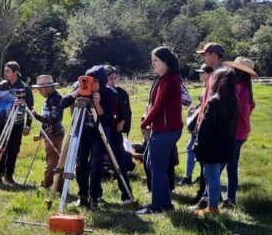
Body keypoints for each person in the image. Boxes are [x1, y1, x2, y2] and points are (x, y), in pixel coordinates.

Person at [136, 47, 184, 215]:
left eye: (156, 60)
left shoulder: (168, 81)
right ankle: (166, 203)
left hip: (165, 130)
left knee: (156, 168)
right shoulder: (166, 79)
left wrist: (144, 124)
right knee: (151, 164)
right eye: (152, 60)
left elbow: (158, 107)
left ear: (166, 62)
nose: (153, 64)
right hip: (164, 129)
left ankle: (156, 206)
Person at [190, 42, 236, 210]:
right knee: (209, 172)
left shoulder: (223, 73)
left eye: (206, 54)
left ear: (215, 54)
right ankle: (208, 203)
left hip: (213, 131)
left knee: (211, 172)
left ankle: (213, 207)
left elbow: (214, 106)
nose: (204, 57)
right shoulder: (218, 72)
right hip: (215, 130)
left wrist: (204, 129)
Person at [60, 65, 112, 209]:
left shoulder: (109, 93)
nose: (91, 83)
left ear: (101, 81)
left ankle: (94, 196)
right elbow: (62, 103)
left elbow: (107, 119)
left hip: (98, 133)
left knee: (96, 165)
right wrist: (77, 93)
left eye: (94, 80)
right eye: (89, 79)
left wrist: (97, 103)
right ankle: (82, 195)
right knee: (81, 164)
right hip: (82, 131)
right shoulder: (80, 87)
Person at [0, 61, 34, 185]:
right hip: (0, 123)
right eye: (5, 70)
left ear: (15, 72)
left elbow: (31, 108)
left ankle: (9, 176)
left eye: (7, 71)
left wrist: (28, 125)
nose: (5, 73)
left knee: (13, 150)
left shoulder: (25, 88)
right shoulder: (0, 86)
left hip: (17, 124)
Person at [222, 57, 257, 209]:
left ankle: (215, 198)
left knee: (217, 166)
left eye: (234, 69)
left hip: (233, 133)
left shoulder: (237, 89)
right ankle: (230, 199)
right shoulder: (247, 89)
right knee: (232, 167)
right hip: (242, 133)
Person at [105, 65, 135, 205]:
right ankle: (95, 195)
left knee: (120, 162)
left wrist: (123, 122)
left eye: (114, 77)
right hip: (102, 133)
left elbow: (127, 112)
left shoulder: (121, 93)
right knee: (95, 162)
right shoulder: (100, 93)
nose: (112, 79)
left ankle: (127, 195)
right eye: (109, 77)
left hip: (116, 133)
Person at [179, 64, 213, 186]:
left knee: (191, 149)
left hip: (201, 125)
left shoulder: (211, 88)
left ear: (210, 74)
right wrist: (195, 108)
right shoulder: (207, 87)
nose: (200, 74)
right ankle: (198, 176)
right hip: (198, 123)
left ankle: (189, 177)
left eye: (202, 72)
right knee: (194, 150)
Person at [30, 75, 64, 189]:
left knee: (52, 160)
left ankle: (47, 183)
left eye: (40, 89)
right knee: (55, 159)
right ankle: (59, 185)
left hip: (54, 135)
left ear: (48, 87)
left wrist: (37, 116)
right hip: (50, 134)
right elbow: (47, 121)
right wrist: (41, 135)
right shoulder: (49, 99)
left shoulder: (55, 100)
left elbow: (54, 120)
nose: (39, 92)